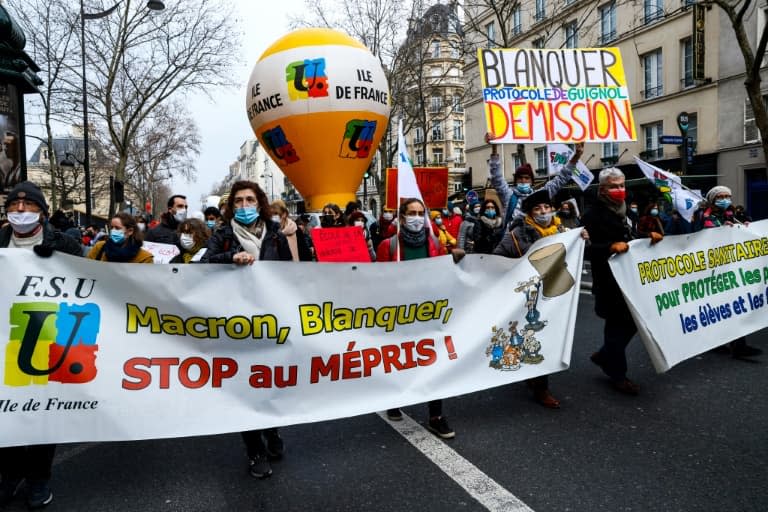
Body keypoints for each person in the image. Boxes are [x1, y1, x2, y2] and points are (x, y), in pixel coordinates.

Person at [0, 181, 82, 510]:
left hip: (48, 339)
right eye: (14, 206)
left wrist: (62, 262)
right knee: (4, 410)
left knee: (42, 411)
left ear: (43, 212)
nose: (20, 211)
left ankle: (38, 477)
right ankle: (9, 475)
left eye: (28, 206)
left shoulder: (64, 244)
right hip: (6, 337)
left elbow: (94, 282)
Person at [202, 180, 292, 478]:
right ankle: (254, 451)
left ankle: (272, 431)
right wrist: (230, 258)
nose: (244, 206)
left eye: (249, 200)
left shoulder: (276, 235)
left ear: (260, 202)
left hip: (271, 322)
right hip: (236, 324)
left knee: (270, 383)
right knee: (245, 388)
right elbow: (202, 267)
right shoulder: (224, 235)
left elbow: (292, 273)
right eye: (238, 201)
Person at [494, 189, 590, 408]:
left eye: (547, 207)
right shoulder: (518, 234)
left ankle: (533, 375)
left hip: (557, 293)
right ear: (530, 213)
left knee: (550, 337)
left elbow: (580, 253)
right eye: (538, 209)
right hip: (530, 297)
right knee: (537, 338)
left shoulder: (564, 230)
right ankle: (541, 388)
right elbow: (498, 258)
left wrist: (584, 239)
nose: (544, 212)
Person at [376, 198, 455, 439]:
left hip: (428, 314)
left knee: (434, 361)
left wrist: (455, 258)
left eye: (421, 213)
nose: (417, 218)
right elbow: (376, 282)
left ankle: (436, 415)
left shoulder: (434, 243)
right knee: (399, 359)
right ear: (401, 217)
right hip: (398, 317)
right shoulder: (387, 246)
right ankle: (395, 400)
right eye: (412, 213)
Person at [581, 167, 663, 395]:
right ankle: (617, 374)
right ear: (603, 189)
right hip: (609, 281)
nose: (619, 190)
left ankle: (606, 354)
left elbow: (632, 240)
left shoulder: (628, 213)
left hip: (631, 279)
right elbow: (585, 250)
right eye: (614, 186)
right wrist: (608, 247)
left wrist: (649, 239)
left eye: (622, 185)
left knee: (632, 323)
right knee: (617, 327)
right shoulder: (592, 215)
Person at [692, 186, 762, 358]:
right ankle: (722, 343)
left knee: (733, 304)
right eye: (720, 196)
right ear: (712, 199)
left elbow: (743, 228)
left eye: (727, 196)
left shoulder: (731, 213)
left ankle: (737, 345)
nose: (725, 199)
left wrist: (744, 228)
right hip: (713, 268)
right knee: (720, 306)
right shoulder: (704, 215)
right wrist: (720, 230)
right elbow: (700, 237)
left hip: (731, 265)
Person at [487, 133, 583, 227]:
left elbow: (561, 178)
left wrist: (576, 156)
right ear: (515, 181)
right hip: (513, 240)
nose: (523, 181)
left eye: (527, 178)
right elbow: (497, 178)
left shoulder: (539, 196)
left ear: (532, 181)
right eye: (520, 178)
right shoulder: (509, 196)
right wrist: (494, 149)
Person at [87, 213, 154, 263]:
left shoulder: (145, 258)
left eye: (117, 228)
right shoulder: (99, 247)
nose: (113, 231)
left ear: (130, 231)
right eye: (112, 227)